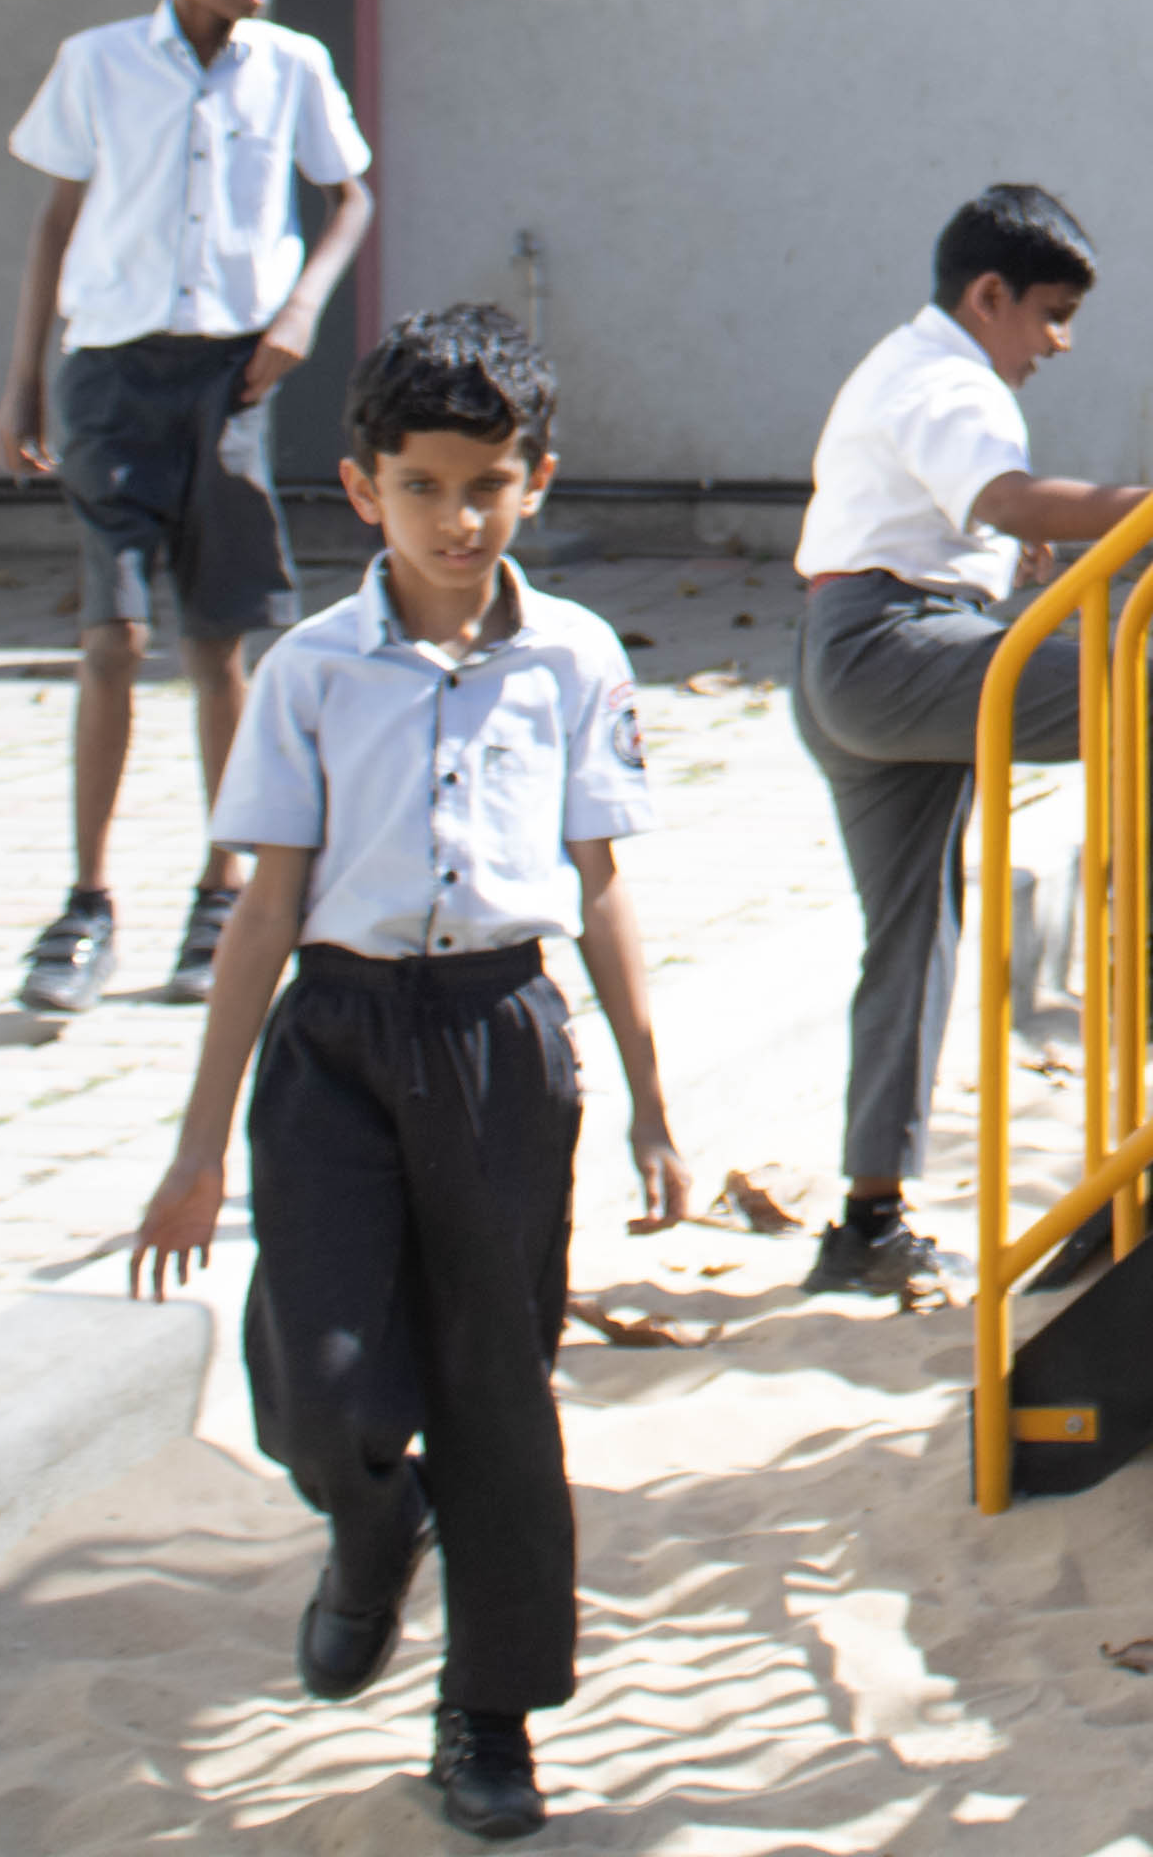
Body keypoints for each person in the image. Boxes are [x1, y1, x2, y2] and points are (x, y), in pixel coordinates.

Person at [128, 306, 682, 1847]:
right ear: (363, 488)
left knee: (499, 1394)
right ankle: (372, 1528)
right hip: (339, 1041)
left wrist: (648, 1097)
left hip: (504, 1040)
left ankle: (486, 1718)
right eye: (425, 486)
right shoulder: (311, 673)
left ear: (536, 483)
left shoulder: (573, 659)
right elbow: (264, 910)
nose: (460, 518)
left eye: (489, 484)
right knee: (323, 1379)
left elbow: (603, 882)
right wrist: (191, 1150)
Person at [0, 0, 379, 1015]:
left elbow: (349, 193)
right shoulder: (100, 63)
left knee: (222, 644)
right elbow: (56, 223)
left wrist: (302, 309)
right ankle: (86, 899)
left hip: (232, 380)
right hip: (111, 376)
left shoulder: (292, 67)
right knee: (111, 634)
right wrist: (24, 383)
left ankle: (222, 894)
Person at [786, 184, 1153, 1305]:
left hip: (843, 651)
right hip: (887, 648)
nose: (1059, 343)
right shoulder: (954, 375)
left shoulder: (903, 368)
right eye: (1049, 313)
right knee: (1143, 696)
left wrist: (1003, 559)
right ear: (987, 293)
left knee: (914, 935)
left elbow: (940, 518)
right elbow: (1005, 498)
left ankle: (870, 1216)